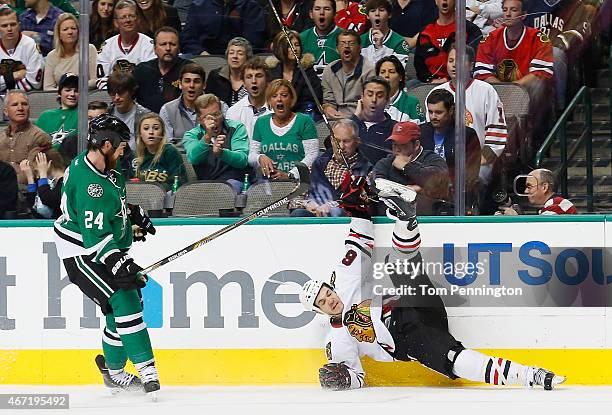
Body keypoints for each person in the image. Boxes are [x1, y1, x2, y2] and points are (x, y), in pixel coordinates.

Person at [298, 176, 566, 391]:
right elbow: (357, 375)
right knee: (454, 360)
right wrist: (344, 379)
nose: (329, 299)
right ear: (318, 312)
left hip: (411, 304)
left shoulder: (344, 278)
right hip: (407, 339)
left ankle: (405, 219)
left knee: (397, 265)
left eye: (326, 292)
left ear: (329, 286)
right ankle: (530, 375)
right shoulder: (337, 339)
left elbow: (359, 237)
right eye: (322, 302)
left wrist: (357, 207)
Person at [52, 114, 160, 396]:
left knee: (121, 307)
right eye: (122, 145)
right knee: (123, 298)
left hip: (98, 246)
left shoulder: (107, 170)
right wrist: (120, 262)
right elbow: (95, 238)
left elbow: (114, 205)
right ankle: (147, 370)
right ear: (107, 145)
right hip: (81, 253)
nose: (126, 150)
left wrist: (131, 213)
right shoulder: (91, 185)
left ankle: (113, 372)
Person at [427, 45, 507, 186]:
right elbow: (429, 131)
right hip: (441, 161)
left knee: (474, 180)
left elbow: (497, 133)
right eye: (451, 61)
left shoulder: (486, 91)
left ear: (471, 65)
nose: (454, 65)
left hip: (478, 161)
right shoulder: (437, 92)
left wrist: (479, 161)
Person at [292, 118, 371, 217]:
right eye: (337, 141)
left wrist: (332, 205)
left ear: (357, 142)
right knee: (298, 213)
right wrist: (307, 204)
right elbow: (293, 198)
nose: (341, 146)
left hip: (346, 222)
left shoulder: (366, 170)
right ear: (331, 140)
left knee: (338, 212)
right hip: (314, 220)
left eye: (346, 141)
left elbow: (364, 203)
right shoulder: (315, 165)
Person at [420, 89, 481, 210]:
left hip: (455, 198)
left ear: (451, 110)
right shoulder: (420, 132)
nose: (433, 117)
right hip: (424, 194)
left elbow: (471, 174)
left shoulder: (466, 135)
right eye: (430, 112)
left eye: (438, 112)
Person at [372, 121, 450, 214]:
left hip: (427, 220)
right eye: (394, 144)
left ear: (416, 145)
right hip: (391, 219)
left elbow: (439, 181)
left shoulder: (431, 158)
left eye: (402, 144)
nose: (397, 149)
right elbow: (376, 183)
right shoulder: (387, 162)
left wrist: (407, 166)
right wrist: (410, 190)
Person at [474, 0, 553, 90]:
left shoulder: (538, 39)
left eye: (513, 10)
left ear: (523, 15)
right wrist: (504, 90)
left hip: (528, 93)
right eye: (505, 10)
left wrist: (513, 89)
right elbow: (483, 73)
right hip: (498, 95)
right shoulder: (490, 39)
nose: (507, 14)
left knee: (538, 85)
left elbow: (540, 73)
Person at [249, 79, 319, 181]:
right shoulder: (261, 122)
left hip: (297, 182)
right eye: (274, 96)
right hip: (267, 183)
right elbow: (251, 155)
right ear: (269, 101)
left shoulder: (304, 121)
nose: (279, 99)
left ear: (291, 99)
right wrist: (259, 157)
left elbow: (312, 155)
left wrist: (290, 175)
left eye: (284, 95)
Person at [182, 94, 250, 192]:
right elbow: (193, 158)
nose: (214, 120)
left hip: (233, 181)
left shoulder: (236, 128)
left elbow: (242, 160)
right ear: (200, 119)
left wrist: (222, 153)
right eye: (208, 117)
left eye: (217, 114)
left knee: (225, 191)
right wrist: (207, 138)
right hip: (204, 184)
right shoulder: (192, 135)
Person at [414, 0, 482, 83]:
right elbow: (419, 64)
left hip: (460, 83)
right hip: (428, 84)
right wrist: (430, 80)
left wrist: (447, 80)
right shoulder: (426, 32)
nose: (444, 0)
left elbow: (473, 61)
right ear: (436, 1)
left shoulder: (470, 30)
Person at [96, 0, 155, 87]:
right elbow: (102, 80)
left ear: (138, 19)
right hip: (113, 96)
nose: (128, 20)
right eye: (123, 17)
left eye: (131, 16)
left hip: (141, 95)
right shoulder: (107, 46)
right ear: (116, 22)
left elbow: (151, 78)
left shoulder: (150, 45)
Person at [266, 30, 323, 117]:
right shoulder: (272, 71)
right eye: (289, 46)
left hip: (301, 117)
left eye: (297, 45)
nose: (295, 49)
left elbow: (312, 100)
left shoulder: (307, 71)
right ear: (281, 49)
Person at [0, 90, 51, 186]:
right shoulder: (1, 138)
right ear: (6, 112)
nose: (20, 108)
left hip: (26, 194)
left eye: (24, 104)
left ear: (29, 109)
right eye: (15, 105)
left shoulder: (39, 137)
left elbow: (32, 173)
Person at [132, 26, 188, 113]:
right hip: (146, 122)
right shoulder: (141, 70)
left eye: (172, 44)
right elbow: (128, 99)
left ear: (179, 49)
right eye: (163, 44)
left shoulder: (188, 69)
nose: (168, 48)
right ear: (154, 49)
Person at [180, 0, 266, 56]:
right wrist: (202, 54)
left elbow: (255, 42)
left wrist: (237, 54)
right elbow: (188, 40)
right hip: (205, 56)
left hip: (241, 57)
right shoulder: (198, 6)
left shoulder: (251, 7)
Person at [321, 29, 375, 118]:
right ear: (337, 49)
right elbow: (328, 101)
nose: (346, 46)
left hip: (360, 119)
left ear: (360, 48)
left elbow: (370, 104)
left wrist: (350, 118)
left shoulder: (369, 70)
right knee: (319, 129)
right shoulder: (329, 70)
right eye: (342, 44)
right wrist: (329, 109)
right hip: (334, 119)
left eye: (351, 43)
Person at [44, 13, 98, 91]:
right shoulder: (52, 56)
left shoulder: (89, 49)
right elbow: (47, 87)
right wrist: (65, 92)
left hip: (86, 96)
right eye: (65, 29)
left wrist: (75, 89)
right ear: (59, 34)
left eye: (73, 28)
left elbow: (95, 80)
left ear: (78, 31)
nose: (70, 32)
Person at [134, 113, 187, 190]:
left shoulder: (170, 152)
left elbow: (179, 181)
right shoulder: (136, 155)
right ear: (140, 134)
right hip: (142, 198)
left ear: (162, 133)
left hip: (166, 197)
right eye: (146, 128)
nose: (151, 132)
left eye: (156, 128)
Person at [159, 63, 206, 149]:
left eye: (196, 81)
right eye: (187, 81)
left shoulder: (219, 107)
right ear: (180, 84)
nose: (191, 85)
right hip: (179, 160)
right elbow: (167, 146)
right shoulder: (167, 110)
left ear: (204, 85)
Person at [350, 76, 395, 164]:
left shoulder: (394, 129)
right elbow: (334, 145)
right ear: (362, 97)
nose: (374, 99)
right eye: (370, 95)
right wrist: (355, 118)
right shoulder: (352, 124)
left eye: (380, 96)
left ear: (387, 100)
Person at [0, 5, 43, 92]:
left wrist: (6, 88)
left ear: (19, 25)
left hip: (26, 98)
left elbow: (34, 83)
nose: (9, 29)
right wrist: (16, 75)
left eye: (13, 24)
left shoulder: (31, 45)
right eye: (4, 26)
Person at [226, 57, 272, 139]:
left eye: (259, 76)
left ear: (267, 82)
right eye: (249, 76)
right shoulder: (233, 112)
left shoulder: (276, 110)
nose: (254, 81)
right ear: (243, 83)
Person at [497, 168, 577, 215]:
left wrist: (515, 219)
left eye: (529, 186)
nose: (525, 191)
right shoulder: (548, 207)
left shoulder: (559, 204)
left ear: (544, 187)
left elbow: (540, 232)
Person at [107, 71, 150, 151]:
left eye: (121, 93)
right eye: (113, 93)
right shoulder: (106, 114)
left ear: (132, 91)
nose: (117, 98)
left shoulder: (145, 116)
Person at [205, 37, 252, 108]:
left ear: (247, 58)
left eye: (240, 54)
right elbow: (208, 103)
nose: (235, 56)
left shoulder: (253, 77)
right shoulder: (216, 76)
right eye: (231, 53)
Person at [375, 55, 424, 123]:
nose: (386, 75)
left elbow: (419, 130)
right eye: (382, 72)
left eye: (391, 72)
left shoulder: (411, 102)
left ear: (400, 77)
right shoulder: (372, 101)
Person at [36, 73, 79, 148]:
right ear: (59, 93)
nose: (72, 94)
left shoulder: (85, 115)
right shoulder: (45, 116)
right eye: (68, 90)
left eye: (76, 91)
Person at [300, 0, 341, 77]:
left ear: (335, 14)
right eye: (317, 9)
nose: (322, 12)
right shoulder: (301, 38)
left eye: (327, 9)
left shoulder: (345, 38)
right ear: (311, 14)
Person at [20, 149, 65, 218]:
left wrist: (43, 174)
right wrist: (30, 177)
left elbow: (48, 200)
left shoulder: (65, 182)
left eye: (38, 170)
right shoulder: (51, 183)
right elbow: (35, 205)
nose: (38, 175)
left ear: (49, 164)